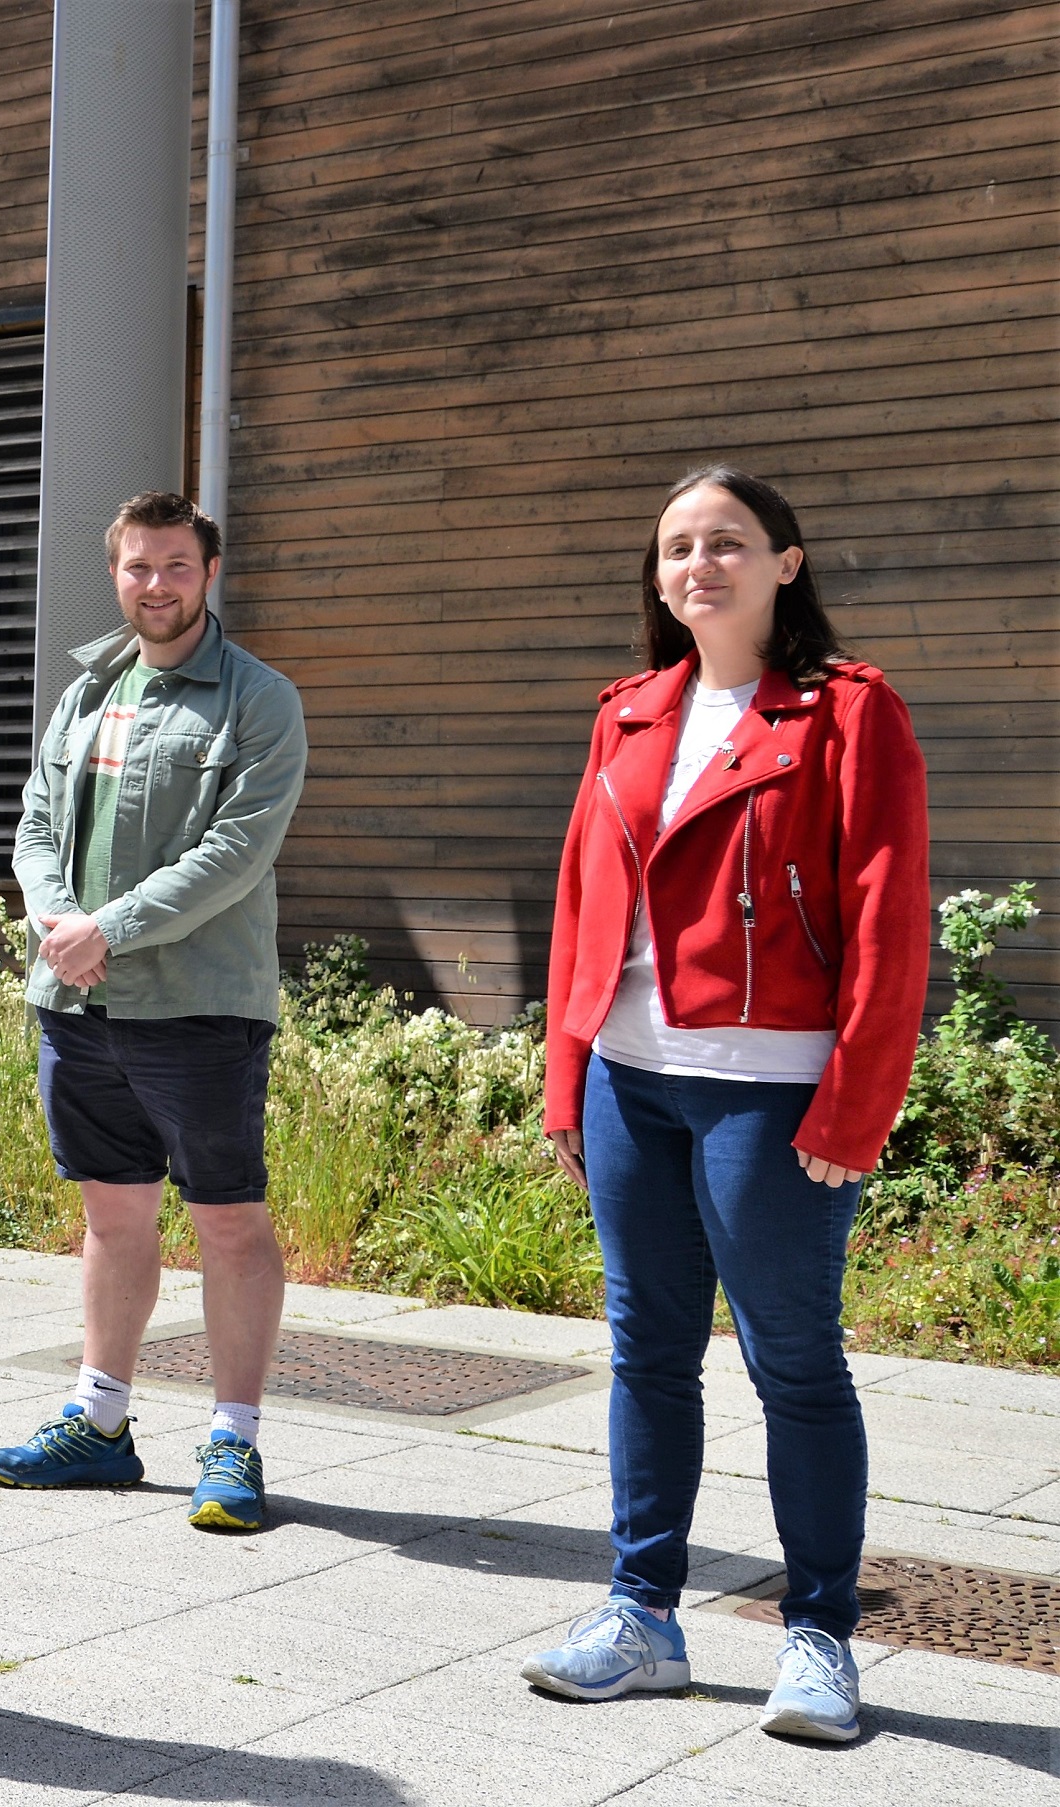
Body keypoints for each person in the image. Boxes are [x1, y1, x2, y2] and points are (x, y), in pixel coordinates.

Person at [516, 468, 928, 1745]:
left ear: (784, 564)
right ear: (656, 579)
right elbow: (584, 909)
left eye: (728, 543)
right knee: (645, 1355)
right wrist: (566, 1079)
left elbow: (887, 918)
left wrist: (852, 1104)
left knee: (792, 1364)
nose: (700, 563)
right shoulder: (627, 714)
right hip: (634, 1082)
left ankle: (817, 1635)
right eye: (677, 547)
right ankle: (642, 1616)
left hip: (772, 1091)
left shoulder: (846, 712)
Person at [0, 490, 309, 1532]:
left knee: (226, 1220)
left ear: (207, 573)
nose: (154, 585)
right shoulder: (85, 692)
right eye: (136, 567)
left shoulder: (257, 699)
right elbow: (35, 820)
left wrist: (105, 927)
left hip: (197, 1008)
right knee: (110, 1214)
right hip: (75, 1001)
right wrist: (51, 913)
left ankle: (232, 1440)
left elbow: (233, 855)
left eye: (174, 565)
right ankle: (100, 1425)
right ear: (115, 574)